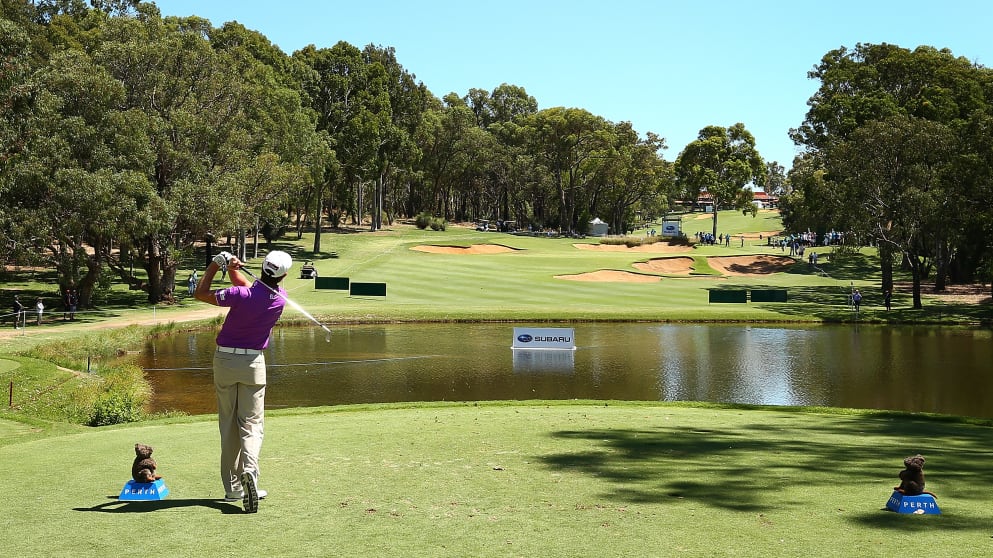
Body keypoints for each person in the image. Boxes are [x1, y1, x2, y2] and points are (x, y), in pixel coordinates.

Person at [194, 249, 292, 514]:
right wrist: (234, 269)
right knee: (251, 424)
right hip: (253, 365)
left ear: (262, 267)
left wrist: (217, 265)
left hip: (225, 361)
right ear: (283, 275)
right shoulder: (280, 299)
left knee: (228, 423)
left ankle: (233, 488)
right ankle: (250, 472)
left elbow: (200, 293)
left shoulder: (240, 295)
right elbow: (251, 290)